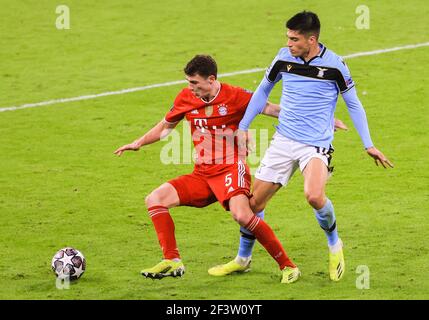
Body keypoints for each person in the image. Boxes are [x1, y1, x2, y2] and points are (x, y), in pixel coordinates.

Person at [208, 11, 393, 282]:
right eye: (288, 37)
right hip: (283, 140)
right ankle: (243, 259)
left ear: (311, 39)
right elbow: (262, 92)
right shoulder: (283, 58)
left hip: (315, 145)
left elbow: (353, 103)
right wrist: (244, 127)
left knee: (314, 196)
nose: (289, 43)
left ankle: (334, 243)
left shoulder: (335, 65)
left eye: (294, 39)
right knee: (252, 205)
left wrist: (369, 144)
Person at [114, 55, 301, 283]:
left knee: (242, 214)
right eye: (188, 82)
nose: (190, 88)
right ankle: (172, 260)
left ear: (211, 79)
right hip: (202, 174)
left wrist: (319, 121)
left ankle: (288, 266)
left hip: (231, 169)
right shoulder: (186, 97)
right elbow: (166, 127)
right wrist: (139, 142)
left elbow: (272, 109)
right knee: (155, 199)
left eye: (195, 83)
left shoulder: (235, 96)